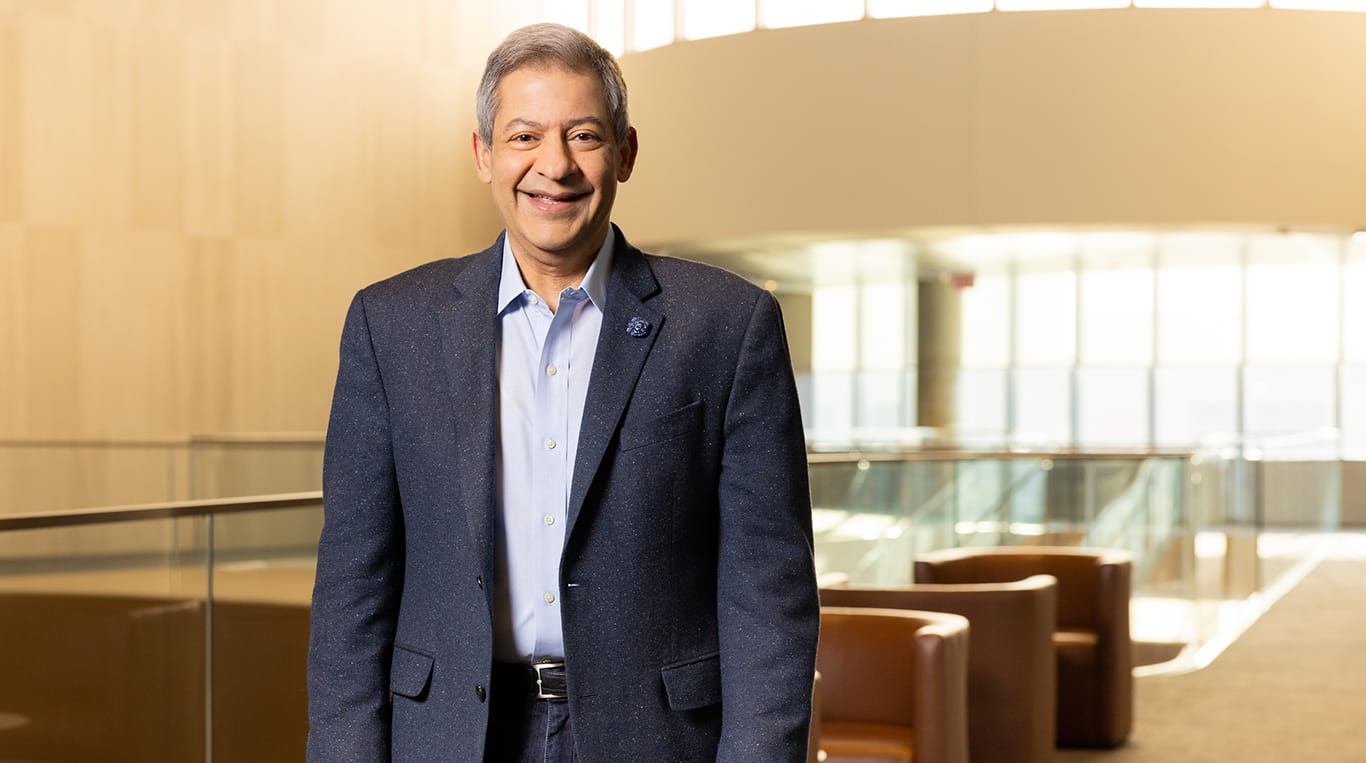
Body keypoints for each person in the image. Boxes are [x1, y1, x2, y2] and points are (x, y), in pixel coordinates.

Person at [306, 22, 818, 762]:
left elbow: (770, 599)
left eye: (583, 135)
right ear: (483, 155)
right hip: (450, 734)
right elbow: (352, 589)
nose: (554, 165)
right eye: (523, 137)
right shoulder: (391, 327)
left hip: (658, 738)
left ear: (626, 152)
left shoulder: (728, 327)